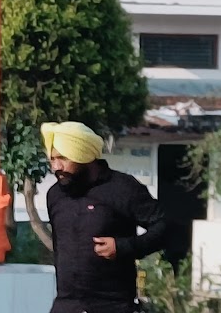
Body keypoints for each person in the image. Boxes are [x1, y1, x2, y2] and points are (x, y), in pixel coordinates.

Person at [41, 121, 167, 313]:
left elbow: (164, 226)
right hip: (66, 306)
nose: (56, 166)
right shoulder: (55, 195)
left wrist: (123, 247)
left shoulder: (123, 189)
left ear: (83, 155)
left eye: (63, 158)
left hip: (112, 305)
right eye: (52, 159)